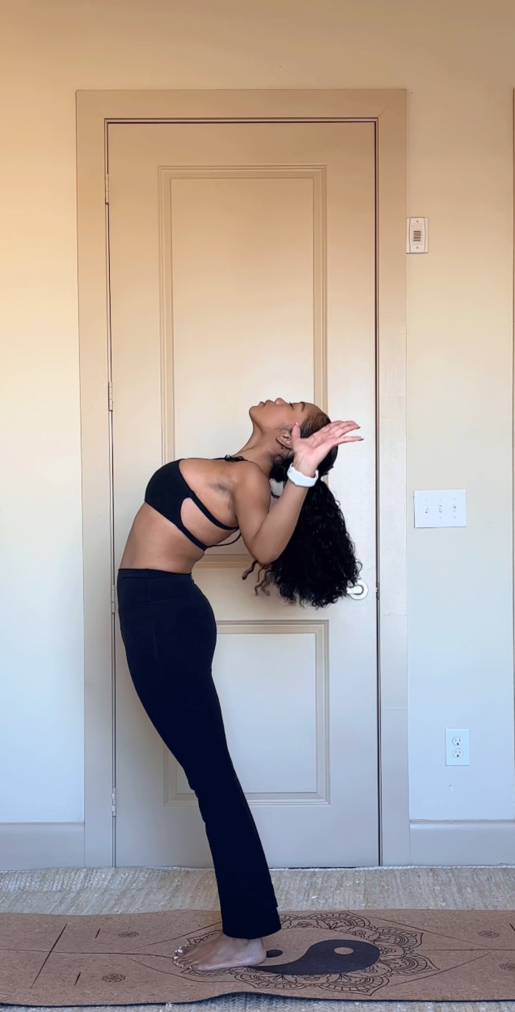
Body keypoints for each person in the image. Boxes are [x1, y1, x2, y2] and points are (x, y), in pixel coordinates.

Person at [116, 398, 363, 972]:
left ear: (288, 431)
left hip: (161, 615)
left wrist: (301, 470)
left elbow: (267, 547)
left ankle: (247, 935)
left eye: (293, 403)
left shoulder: (248, 477)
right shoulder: (240, 469)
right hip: (162, 612)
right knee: (211, 775)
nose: (278, 396)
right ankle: (248, 927)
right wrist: (296, 468)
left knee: (212, 778)